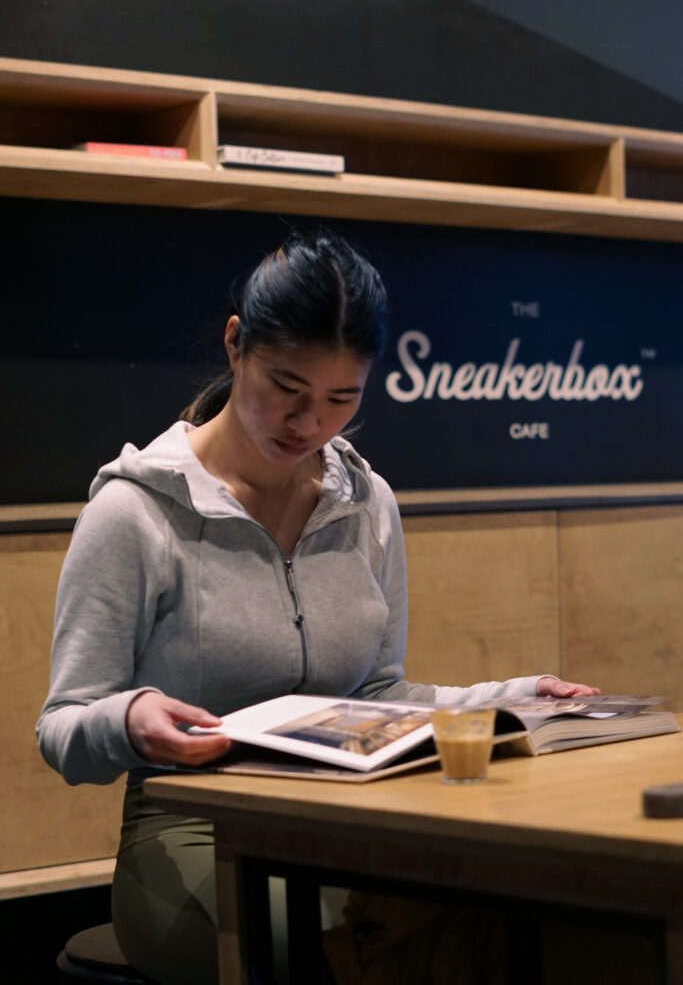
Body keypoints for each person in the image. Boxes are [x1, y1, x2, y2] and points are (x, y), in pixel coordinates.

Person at [36, 228, 599, 985]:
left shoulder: (366, 503)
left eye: (341, 399)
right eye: (286, 389)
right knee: (358, 947)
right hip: (195, 836)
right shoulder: (136, 512)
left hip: (348, 826)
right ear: (237, 346)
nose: (310, 426)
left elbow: (376, 698)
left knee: (520, 917)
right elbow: (64, 725)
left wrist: (518, 700)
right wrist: (130, 716)